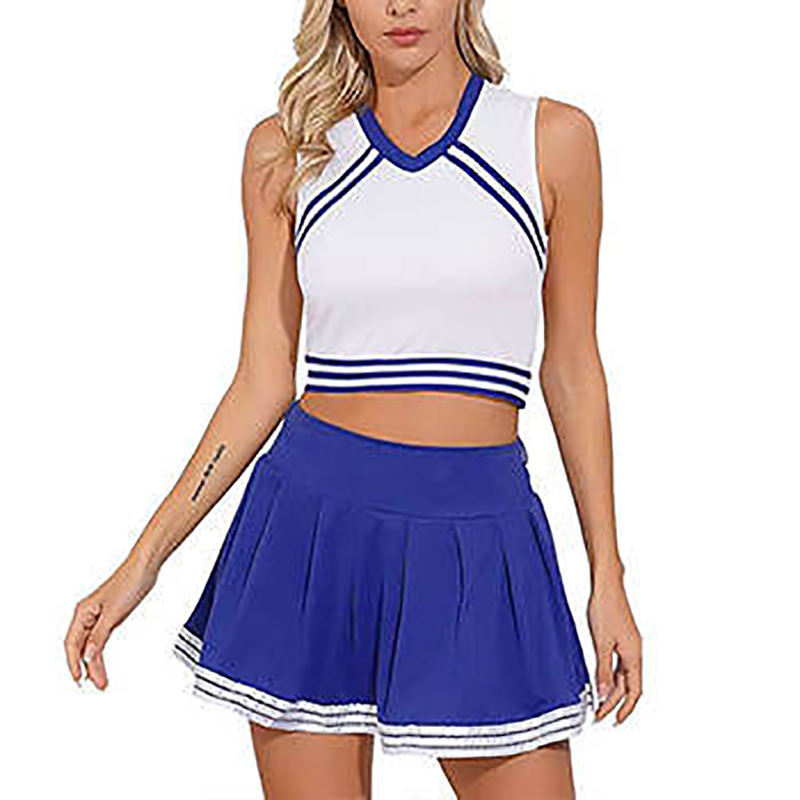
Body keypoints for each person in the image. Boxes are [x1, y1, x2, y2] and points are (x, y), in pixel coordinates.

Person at [63, 1, 642, 797]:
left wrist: (608, 575)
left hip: (480, 533)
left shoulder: (551, 140)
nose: (400, 5)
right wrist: (143, 563)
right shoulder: (287, 151)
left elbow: (573, 367)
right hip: (310, 533)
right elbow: (262, 379)